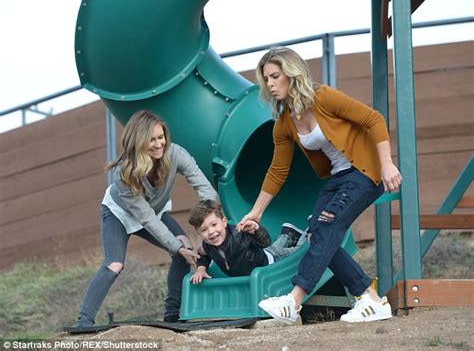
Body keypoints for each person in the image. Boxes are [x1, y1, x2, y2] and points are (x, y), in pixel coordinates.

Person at [237, 47, 402, 325]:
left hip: (363, 171)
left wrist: (386, 164)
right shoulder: (285, 123)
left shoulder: (323, 98)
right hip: (338, 178)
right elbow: (277, 171)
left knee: (326, 227)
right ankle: (370, 299)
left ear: (292, 73)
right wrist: (256, 212)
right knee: (317, 234)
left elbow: (373, 119)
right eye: (266, 79)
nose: (270, 84)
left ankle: (294, 300)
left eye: (275, 76)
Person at [76, 110, 218, 326]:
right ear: (139, 141)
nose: (158, 144)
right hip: (120, 214)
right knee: (114, 264)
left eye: (161, 137)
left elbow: (203, 186)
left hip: (155, 210)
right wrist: (175, 246)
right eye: (151, 140)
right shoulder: (124, 174)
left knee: (183, 251)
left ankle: (173, 315)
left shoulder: (176, 154)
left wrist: (208, 220)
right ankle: (84, 321)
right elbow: (146, 219)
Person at [188, 199, 306, 283]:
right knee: (277, 247)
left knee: (299, 252)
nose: (211, 232)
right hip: (255, 266)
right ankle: (288, 233)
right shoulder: (207, 245)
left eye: (214, 224)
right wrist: (201, 269)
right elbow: (202, 255)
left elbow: (265, 243)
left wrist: (256, 230)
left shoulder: (240, 233)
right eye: (204, 230)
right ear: (199, 233)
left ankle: (311, 229)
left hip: (271, 261)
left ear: (224, 222)